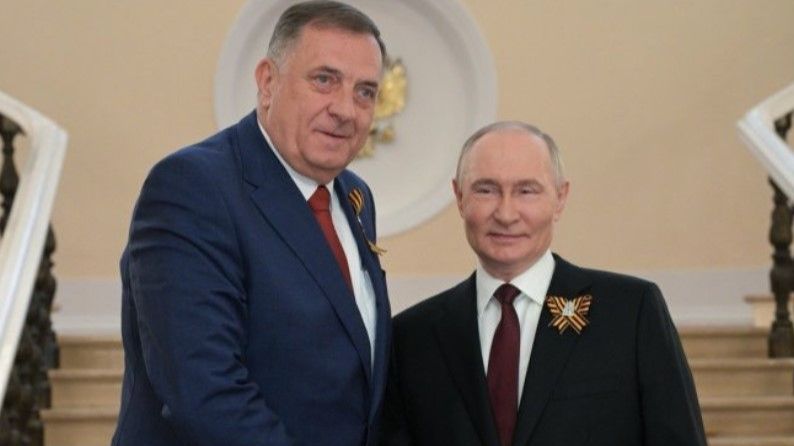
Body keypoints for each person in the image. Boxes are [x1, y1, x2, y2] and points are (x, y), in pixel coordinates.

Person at [111, 2, 390, 445]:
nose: (346, 109)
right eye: (324, 80)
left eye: (365, 92)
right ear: (267, 82)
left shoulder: (355, 197)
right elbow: (205, 393)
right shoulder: (192, 187)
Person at [380, 121, 706, 446]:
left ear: (560, 198)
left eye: (526, 191)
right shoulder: (412, 338)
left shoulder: (630, 313)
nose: (506, 214)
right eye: (486, 190)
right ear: (460, 197)